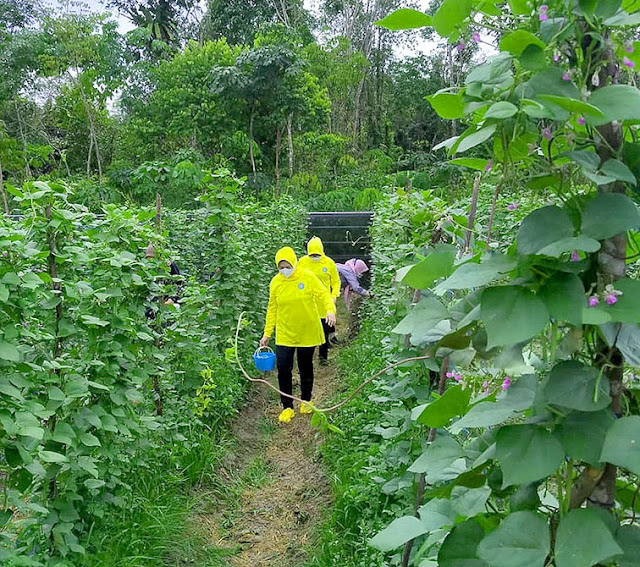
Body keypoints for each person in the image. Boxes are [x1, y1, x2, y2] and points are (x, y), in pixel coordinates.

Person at [260, 247, 336, 423]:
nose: (284, 270)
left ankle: (306, 400)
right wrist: (267, 334)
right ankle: (287, 407)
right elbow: (272, 308)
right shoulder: (276, 283)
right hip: (285, 332)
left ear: (294, 263)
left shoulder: (307, 277)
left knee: (305, 366)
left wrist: (330, 311)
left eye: (287, 265)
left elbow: (324, 294)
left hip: (306, 331)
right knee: (283, 368)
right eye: (281, 267)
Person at [298, 236, 340, 366]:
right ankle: (305, 359)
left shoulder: (329, 263)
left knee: (324, 332)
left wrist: (333, 296)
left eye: (317, 254)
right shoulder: (302, 262)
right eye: (312, 254)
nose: (314, 257)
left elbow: (336, 282)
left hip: (324, 304)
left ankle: (323, 357)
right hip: (307, 303)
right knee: (307, 332)